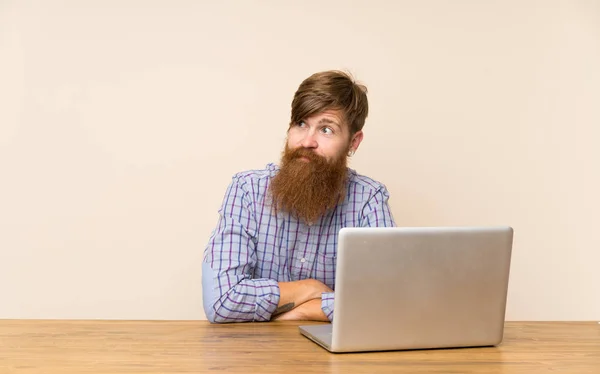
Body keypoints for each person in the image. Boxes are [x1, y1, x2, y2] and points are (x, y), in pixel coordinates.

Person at [202, 70, 395, 323]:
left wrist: (302, 311)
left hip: (335, 360)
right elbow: (222, 300)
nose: (307, 141)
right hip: (254, 357)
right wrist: (310, 289)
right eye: (301, 124)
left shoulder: (368, 200)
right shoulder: (247, 190)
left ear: (353, 143)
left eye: (326, 129)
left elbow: (387, 302)